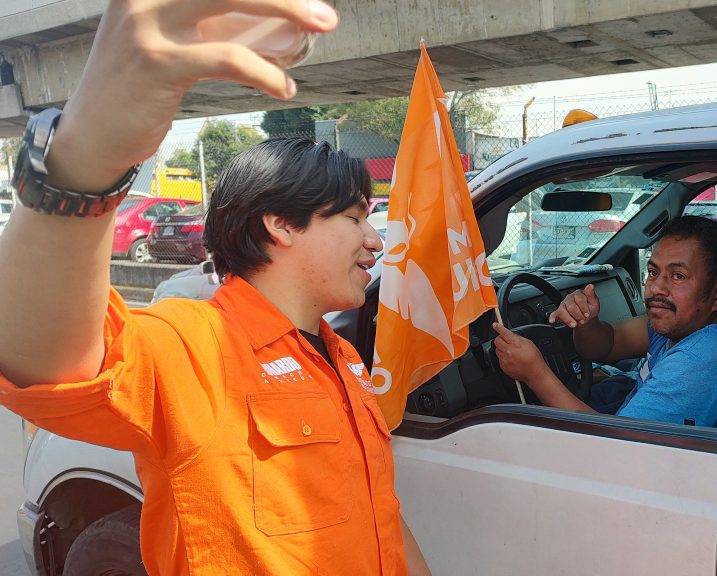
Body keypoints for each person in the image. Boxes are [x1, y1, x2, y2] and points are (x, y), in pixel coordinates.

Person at [0, 2, 429, 575]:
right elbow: (43, 358)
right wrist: (85, 155)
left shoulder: (341, 357)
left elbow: (380, 516)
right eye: (353, 218)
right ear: (279, 223)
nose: (375, 242)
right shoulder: (197, 347)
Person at [492, 216, 717, 429]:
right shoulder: (689, 322)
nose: (656, 288)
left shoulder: (699, 364)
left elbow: (611, 446)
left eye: (678, 276)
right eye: (653, 272)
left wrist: (535, 373)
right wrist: (586, 323)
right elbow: (610, 343)